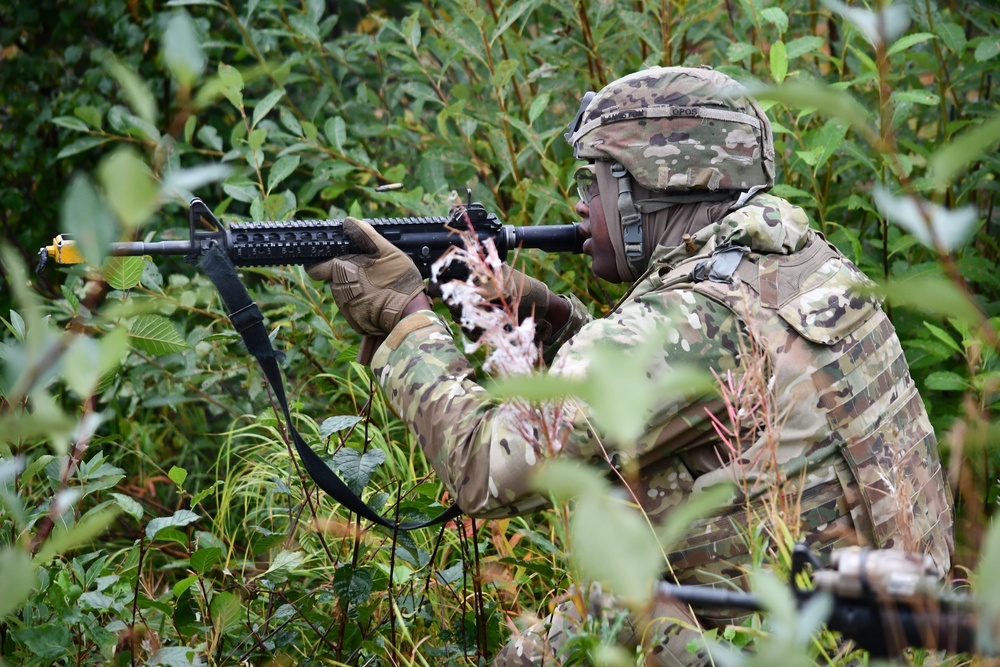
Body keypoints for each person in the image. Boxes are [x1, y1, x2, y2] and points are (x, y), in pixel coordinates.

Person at [305, 66, 955, 665]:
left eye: (595, 179)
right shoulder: (799, 260)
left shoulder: (692, 319)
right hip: (879, 627)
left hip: (783, 641)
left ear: (651, 186)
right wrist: (553, 323)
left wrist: (406, 318)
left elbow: (486, 468)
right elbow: (662, 403)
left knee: (582, 627)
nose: (581, 204)